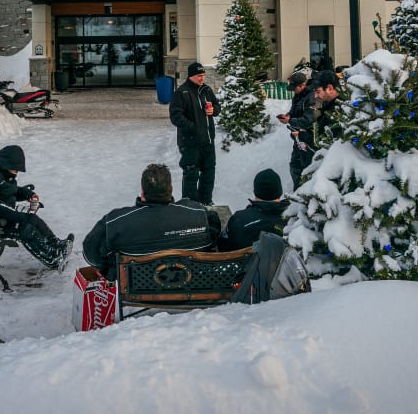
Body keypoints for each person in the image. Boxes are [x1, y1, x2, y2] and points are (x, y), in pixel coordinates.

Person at [82, 163, 221, 279]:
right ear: (171, 189)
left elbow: (90, 250)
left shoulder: (116, 222)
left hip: (138, 288)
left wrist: (109, 270)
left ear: (143, 193)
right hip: (193, 282)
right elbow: (215, 235)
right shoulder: (197, 213)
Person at [0, 144, 73, 270]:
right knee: (24, 228)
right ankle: (53, 259)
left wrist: (28, 194)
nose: (17, 172)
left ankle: (57, 245)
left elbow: (8, 190)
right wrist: (14, 214)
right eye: (16, 168)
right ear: (7, 163)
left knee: (31, 219)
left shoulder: (0, 172)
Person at [168, 61, 221, 204]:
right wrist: (193, 127)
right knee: (191, 174)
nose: (202, 78)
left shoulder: (207, 90)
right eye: (199, 75)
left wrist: (214, 110)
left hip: (208, 141)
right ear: (191, 76)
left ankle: (206, 201)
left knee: (209, 173)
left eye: (203, 75)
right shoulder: (182, 92)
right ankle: (190, 204)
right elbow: (175, 116)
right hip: (190, 143)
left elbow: (217, 106)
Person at [286, 70, 342, 189]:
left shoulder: (336, 112)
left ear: (330, 88)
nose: (316, 96)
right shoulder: (327, 108)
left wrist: (301, 135)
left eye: (318, 91)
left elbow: (324, 143)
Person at [219, 168, 287, 251]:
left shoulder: (239, 219)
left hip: (244, 263)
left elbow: (223, 247)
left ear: (255, 191)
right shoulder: (294, 219)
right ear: (279, 191)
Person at [277, 72, 315, 187]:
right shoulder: (298, 97)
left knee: (306, 168)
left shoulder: (312, 97)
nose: (294, 91)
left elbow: (308, 120)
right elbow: (294, 112)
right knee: (295, 166)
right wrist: (288, 116)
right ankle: (297, 192)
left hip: (308, 139)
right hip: (297, 138)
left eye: (295, 88)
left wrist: (290, 121)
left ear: (303, 85)